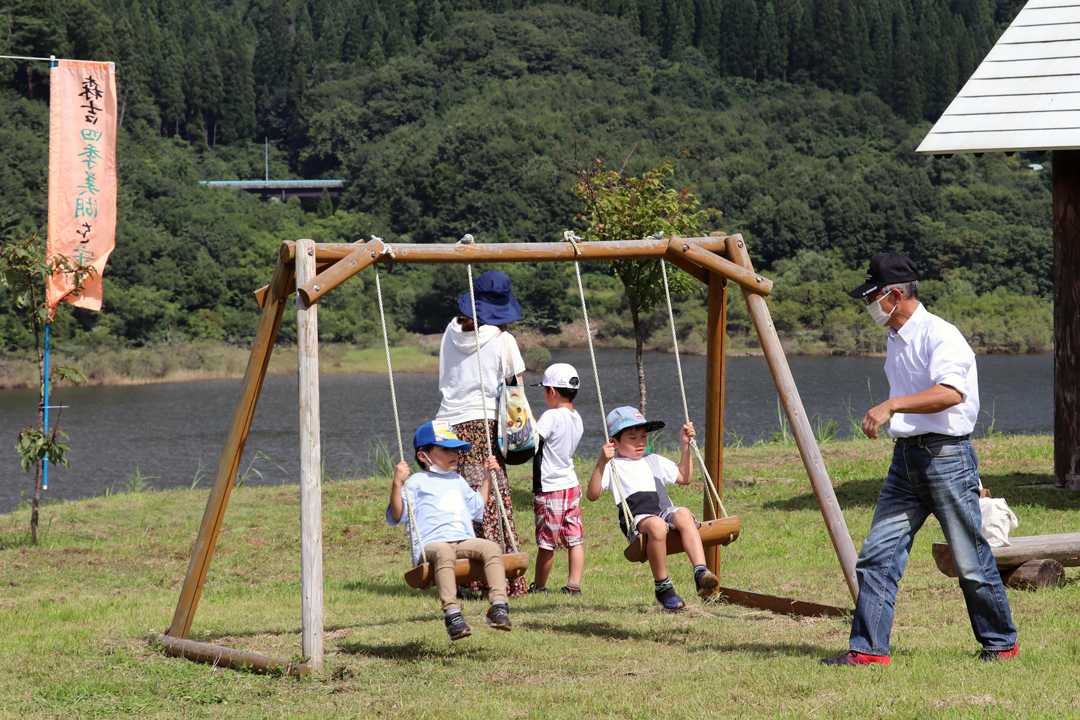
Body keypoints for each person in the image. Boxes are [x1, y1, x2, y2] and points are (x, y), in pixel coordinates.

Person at [822, 252, 1018, 666]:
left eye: (871, 296)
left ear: (894, 294)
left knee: (969, 559)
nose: (868, 305)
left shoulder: (941, 335)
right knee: (877, 555)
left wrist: (893, 405)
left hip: (947, 458)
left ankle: (1001, 644)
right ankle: (869, 652)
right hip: (907, 459)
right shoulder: (895, 337)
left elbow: (951, 393)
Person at [435, 270, 528, 598]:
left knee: (456, 498)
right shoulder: (503, 340)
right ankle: (498, 578)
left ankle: (460, 575)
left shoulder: (450, 331)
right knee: (490, 497)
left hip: (445, 426)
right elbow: (515, 389)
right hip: (482, 424)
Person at [386, 420, 512, 641]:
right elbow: (397, 515)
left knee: (491, 547)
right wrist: (397, 484)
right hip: (432, 545)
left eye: (455, 449)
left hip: (462, 541)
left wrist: (486, 479)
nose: (453, 454)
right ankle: (452, 613)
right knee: (444, 552)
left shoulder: (457, 480)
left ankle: (498, 606)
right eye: (445, 449)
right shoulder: (416, 482)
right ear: (423, 456)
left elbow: (476, 507)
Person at [586, 406, 719, 611]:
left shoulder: (653, 460)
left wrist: (685, 446)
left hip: (664, 511)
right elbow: (592, 495)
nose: (640, 442)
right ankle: (663, 586)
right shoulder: (613, 466)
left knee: (683, 514)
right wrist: (601, 462)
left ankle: (700, 571)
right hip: (638, 519)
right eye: (632, 437)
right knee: (657, 525)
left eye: (643, 436)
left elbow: (684, 477)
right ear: (614, 442)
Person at [527, 363, 585, 596]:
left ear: (551, 391)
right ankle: (573, 585)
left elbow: (531, 441)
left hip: (551, 488)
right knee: (574, 538)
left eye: (544, 390)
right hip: (571, 485)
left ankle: (539, 586)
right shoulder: (576, 416)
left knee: (546, 541)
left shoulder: (550, 415)